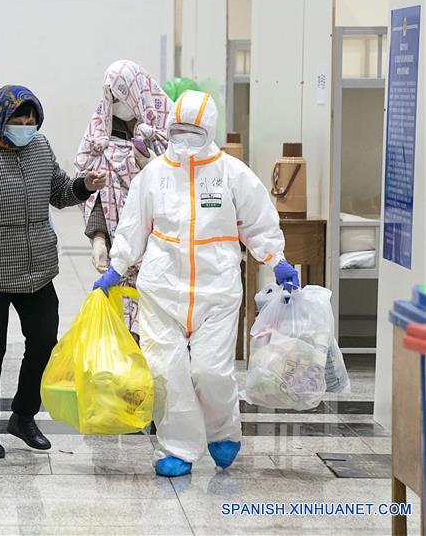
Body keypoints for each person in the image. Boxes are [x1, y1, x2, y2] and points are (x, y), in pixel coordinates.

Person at [93, 90, 299, 477]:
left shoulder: (231, 173)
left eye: (193, 131)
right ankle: (178, 448)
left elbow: (258, 219)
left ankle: (223, 433)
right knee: (166, 370)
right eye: (178, 131)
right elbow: (134, 225)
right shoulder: (154, 174)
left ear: (209, 131)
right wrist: (116, 267)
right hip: (161, 289)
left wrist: (276, 259)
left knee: (210, 370)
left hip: (216, 290)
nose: (185, 139)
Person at [0, 85, 107, 459]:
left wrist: (82, 186)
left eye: (31, 120)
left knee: (44, 342)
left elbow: (58, 192)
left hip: (37, 268)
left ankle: (23, 416)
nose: (25, 126)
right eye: (17, 119)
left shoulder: (39, 148)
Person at [74, 60, 172, 334]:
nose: (117, 103)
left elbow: (183, 182)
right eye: (112, 97)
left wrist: (152, 166)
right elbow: (92, 182)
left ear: (137, 92)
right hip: (119, 243)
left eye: (121, 95)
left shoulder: (166, 125)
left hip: (161, 245)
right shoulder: (100, 131)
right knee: (124, 323)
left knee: (158, 323)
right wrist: (98, 238)